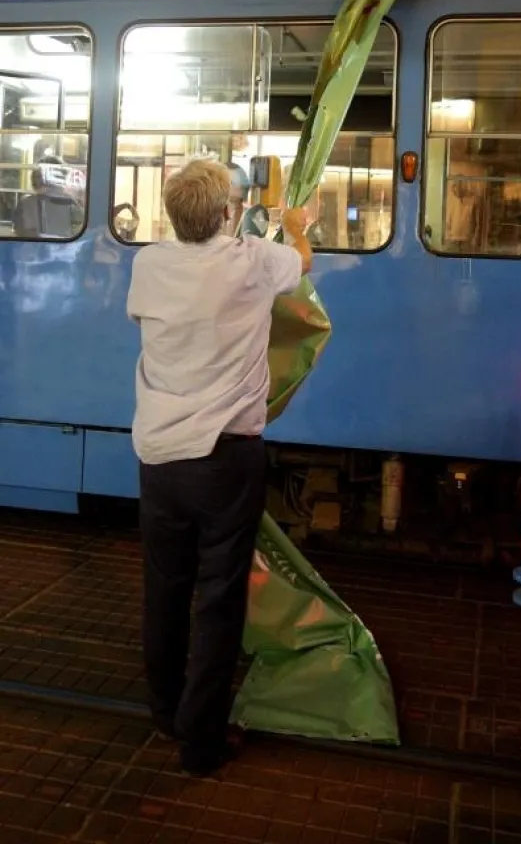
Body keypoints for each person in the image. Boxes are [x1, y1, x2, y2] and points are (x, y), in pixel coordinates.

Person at [126, 159, 312, 776]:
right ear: (230, 213)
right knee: (219, 597)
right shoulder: (253, 260)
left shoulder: (148, 263)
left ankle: (164, 710)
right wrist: (295, 224)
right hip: (225, 457)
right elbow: (302, 264)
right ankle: (199, 742)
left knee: (164, 588)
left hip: (158, 456)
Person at [12, 154, 84, 239]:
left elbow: (21, 233)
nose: (35, 179)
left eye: (37, 176)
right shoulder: (75, 203)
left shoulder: (27, 203)